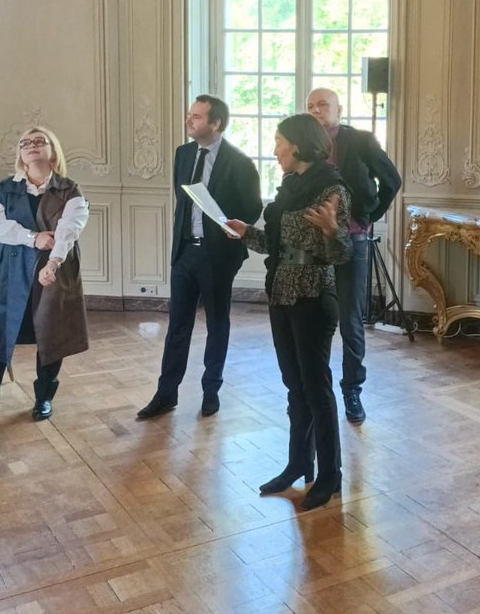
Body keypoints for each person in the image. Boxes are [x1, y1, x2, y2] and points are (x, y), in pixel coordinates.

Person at [226, 113, 351, 511]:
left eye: (279, 141)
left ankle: (330, 474)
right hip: (280, 293)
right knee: (295, 386)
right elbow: (279, 246)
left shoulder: (330, 189)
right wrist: (247, 233)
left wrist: (333, 232)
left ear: (297, 144)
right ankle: (299, 463)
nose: (275, 148)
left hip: (313, 296)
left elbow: (341, 254)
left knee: (317, 389)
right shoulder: (290, 186)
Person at [0, 126, 89, 425]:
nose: (32, 145)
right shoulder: (4, 188)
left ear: (53, 152)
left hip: (54, 267)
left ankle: (44, 398)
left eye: (39, 141)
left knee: (51, 331)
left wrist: (51, 264)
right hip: (10, 269)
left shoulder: (70, 190)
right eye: (25, 143)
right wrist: (34, 237)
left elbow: (68, 231)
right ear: (20, 155)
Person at [137, 96, 262, 420]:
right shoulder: (183, 154)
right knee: (178, 325)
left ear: (216, 123)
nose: (188, 120)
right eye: (189, 115)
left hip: (218, 255)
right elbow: (183, 203)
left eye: (196, 116)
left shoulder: (240, 162)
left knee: (217, 323)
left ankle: (211, 391)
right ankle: (166, 394)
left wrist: (228, 226)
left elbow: (252, 209)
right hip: (185, 253)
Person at [305, 87, 401, 424]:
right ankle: (316, 388)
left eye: (323, 105)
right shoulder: (303, 146)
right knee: (314, 317)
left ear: (339, 110)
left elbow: (392, 180)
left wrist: (368, 216)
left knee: (350, 318)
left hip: (354, 240)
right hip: (313, 244)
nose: (317, 110)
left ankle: (352, 389)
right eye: (311, 105)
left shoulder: (360, 140)